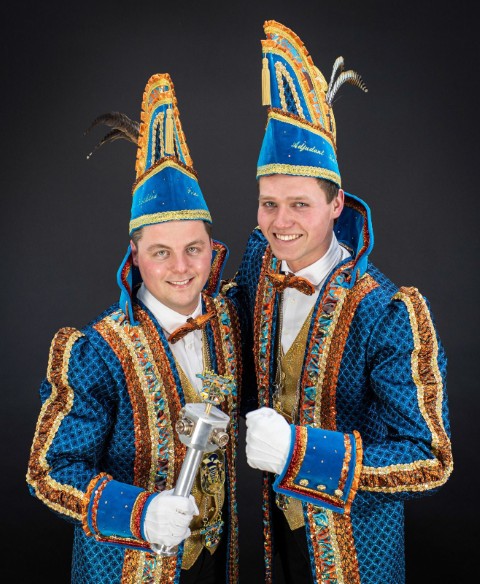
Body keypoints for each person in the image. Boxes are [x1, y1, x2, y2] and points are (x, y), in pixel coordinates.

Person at [229, 20, 453, 584]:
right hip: (276, 529)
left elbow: (428, 460)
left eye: (300, 204)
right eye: (268, 203)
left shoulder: (389, 311)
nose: (280, 222)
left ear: (336, 205)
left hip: (356, 549)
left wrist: (299, 453)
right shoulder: (257, 261)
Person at [27, 73, 241, 584]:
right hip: (126, 570)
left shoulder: (228, 322)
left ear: (212, 248)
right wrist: (139, 513)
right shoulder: (96, 351)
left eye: (194, 249)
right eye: (161, 252)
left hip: (213, 565)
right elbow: (51, 471)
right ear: (136, 256)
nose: (181, 268)